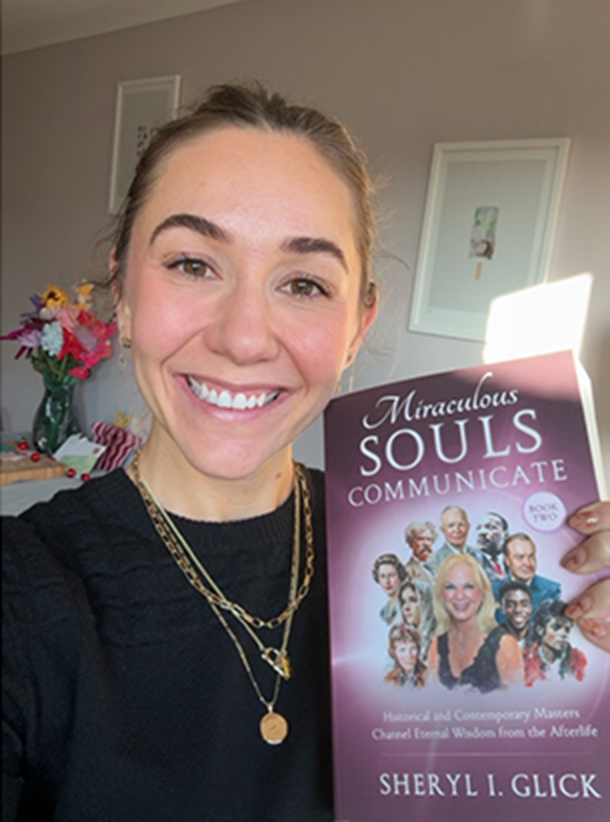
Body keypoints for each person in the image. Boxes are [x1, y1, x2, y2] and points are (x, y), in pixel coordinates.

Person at [2, 80, 609, 821]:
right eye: (193, 264)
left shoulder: (416, 559)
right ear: (122, 294)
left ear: (358, 328)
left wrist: (587, 694)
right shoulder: (23, 592)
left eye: (303, 284)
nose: (244, 338)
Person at [428, 554, 523, 692]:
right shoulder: (436, 647)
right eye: (450, 587)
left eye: (468, 586)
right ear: (441, 595)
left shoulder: (504, 646)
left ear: (482, 592)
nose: (459, 596)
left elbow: (520, 702)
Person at [523, 600, 587, 686]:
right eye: (556, 627)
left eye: (567, 629)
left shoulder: (577, 660)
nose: (564, 634)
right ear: (540, 630)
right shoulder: (526, 659)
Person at [494, 532, 561, 614]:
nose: (528, 563)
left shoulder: (551, 589)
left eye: (531, 556)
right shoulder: (493, 591)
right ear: (507, 560)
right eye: (519, 557)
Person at [428, 505, 482, 572]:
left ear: (468, 527)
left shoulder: (480, 557)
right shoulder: (433, 562)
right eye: (451, 526)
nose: (457, 530)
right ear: (443, 529)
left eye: (461, 525)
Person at [398, 578, 437, 660]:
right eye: (403, 602)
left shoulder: (439, 641)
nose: (406, 607)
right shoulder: (402, 639)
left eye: (413, 600)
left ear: (426, 602)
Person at [372, 553, 407, 624]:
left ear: (400, 576)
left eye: (392, 575)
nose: (387, 581)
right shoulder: (384, 611)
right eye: (382, 576)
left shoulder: (406, 606)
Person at [475, 510, 509, 582]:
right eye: (478, 528)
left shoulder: (513, 563)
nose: (482, 532)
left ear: (506, 536)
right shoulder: (470, 563)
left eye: (490, 527)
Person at [497, 580, 533, 645]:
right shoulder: (492, 640)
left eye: (524, 605)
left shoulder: (539, 638)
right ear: (502, 608)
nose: (518, 610)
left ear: (530, 607)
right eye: (510, 605)